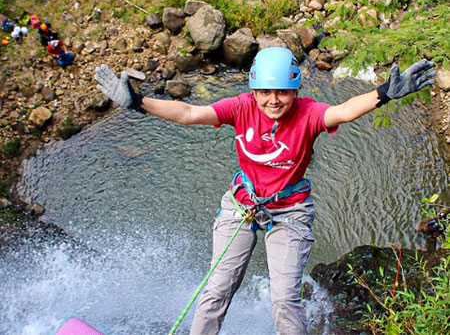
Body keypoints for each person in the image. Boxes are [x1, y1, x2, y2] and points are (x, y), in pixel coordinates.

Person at [93, 47, 436, 335]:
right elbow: (188, 112)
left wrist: (384, 93)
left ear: (295, 92)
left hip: (290, 212)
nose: (273, 100)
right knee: (217, 289)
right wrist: (137, 102)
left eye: (282, 92)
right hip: (242, 206)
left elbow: (343, 111)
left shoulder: (309, 114)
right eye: (265, 92)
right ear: (254, 91)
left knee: (285, 300)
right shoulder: (241, 107)